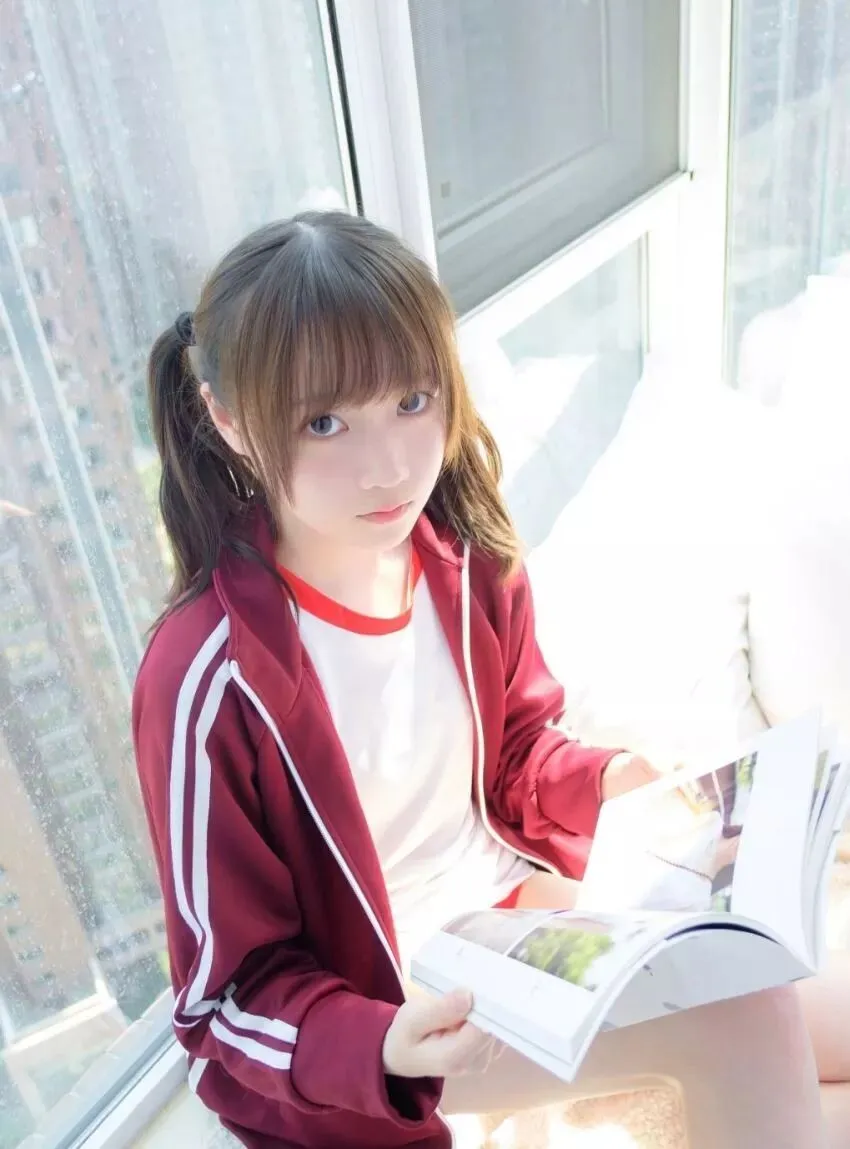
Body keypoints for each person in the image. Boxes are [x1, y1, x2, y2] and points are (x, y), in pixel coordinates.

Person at [133, 211, 846, 1149]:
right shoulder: (207, 676)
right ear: (229, 422)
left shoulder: (462, 557)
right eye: (324, 422)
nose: (390, 465)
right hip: (383, 1010)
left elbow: (514, 755)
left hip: (514, 922)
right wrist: (378, 1041)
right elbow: (222, 1001)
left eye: (412, 401)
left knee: (783, 990)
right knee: (744, 1019)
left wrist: (610, 782)